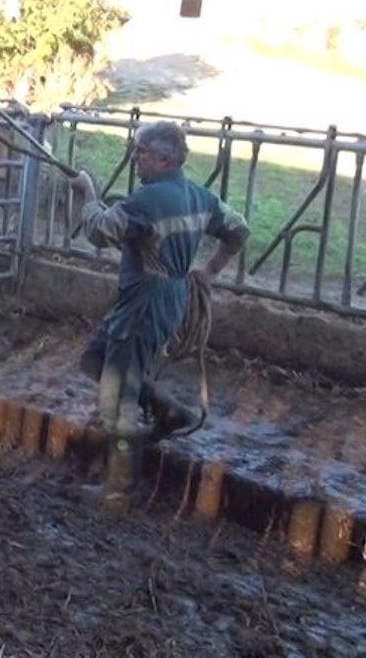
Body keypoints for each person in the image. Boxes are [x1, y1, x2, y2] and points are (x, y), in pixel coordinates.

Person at [70, 120, 250, 508]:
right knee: (95, 359)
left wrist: (88, 193)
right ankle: (171, 411)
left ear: (165, 158)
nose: (135, 157)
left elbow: (100, 231)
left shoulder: (149, 201)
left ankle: (118, 488)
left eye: (142, 151)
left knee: (118, 398)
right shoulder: (201, 197)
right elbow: (240, 230)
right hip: (171, 298)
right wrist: (209, 271)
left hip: (143, 304)